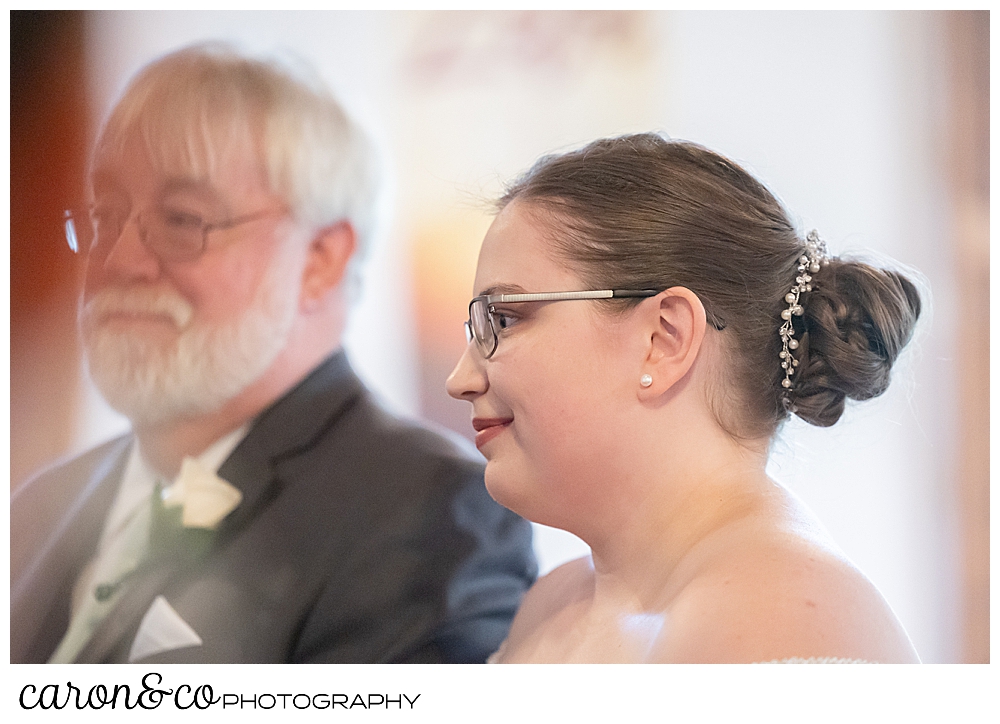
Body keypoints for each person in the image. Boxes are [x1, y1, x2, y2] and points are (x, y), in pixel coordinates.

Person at [11, 44, 536, 664]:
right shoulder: (43, 502)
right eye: (103, 216)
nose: (118, 262)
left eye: (182, 220)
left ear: (320, 260)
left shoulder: (434, 516)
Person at [446, 134, 922, 663]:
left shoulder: (782, 626)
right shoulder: (552, 605)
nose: (460, 379)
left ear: (663, 340)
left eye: (504, 320)